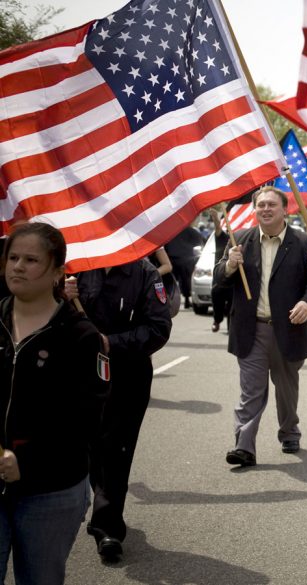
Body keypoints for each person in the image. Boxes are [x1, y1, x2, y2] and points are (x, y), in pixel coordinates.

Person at [0, 223, 108, 584]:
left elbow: (86, 420)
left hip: (52, 491)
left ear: (58, 271)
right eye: (13, 257)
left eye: (31, 260)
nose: (18, 266)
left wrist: (26, 461)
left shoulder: (82, 336)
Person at [65, 255, 172, 560]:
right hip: (83, 374)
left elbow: (159, 328)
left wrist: (111, 342)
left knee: (117, 448)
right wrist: (61, 298)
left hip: (128, 373)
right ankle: (102, 502)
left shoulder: (145, 273)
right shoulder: (77, 268)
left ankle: (108, 526)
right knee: (91, 446)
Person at [214, 186, 307, 466]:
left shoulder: (303, 242)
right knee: (251, 390)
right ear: (254, 210)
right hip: (251, 331)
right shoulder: (239, 241)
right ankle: (244, 445)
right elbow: (219, 279)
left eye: (272, 204)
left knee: (286, 389)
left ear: (285, 209)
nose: (266, 209)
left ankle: (289, 431)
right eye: (261, 205)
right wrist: (229, 266)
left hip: (290, 329)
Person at [165, 224, 203, 309]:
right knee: (186, 280)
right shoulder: (191, 231)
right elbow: (200, 242)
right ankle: (186, 299)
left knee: (170, 281)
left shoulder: (170, 231)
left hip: (171, 259)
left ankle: (170, 300)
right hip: (185, 259)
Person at [208, 208, 232, 333]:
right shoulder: (222, 237)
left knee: (233, 305)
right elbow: (217, 228)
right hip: (220, 278)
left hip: (234, 280)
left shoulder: (243, 238)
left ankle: (230, 328)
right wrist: (216, 219)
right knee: (217, 299)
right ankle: (217, 320)